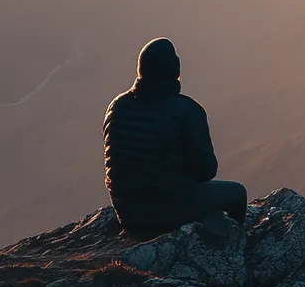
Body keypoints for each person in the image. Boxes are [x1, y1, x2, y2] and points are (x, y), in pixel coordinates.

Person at [103, 37, 246, 243]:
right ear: (175, 69)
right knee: (237, 193)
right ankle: (235, 249)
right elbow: (206, 171)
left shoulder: (116, 106)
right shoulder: (188, 111)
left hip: (127, 212)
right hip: (169, 211)